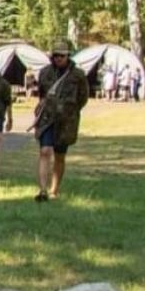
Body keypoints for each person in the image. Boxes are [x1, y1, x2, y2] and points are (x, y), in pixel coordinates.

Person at [33, 40, 91, 202]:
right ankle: (42, 190)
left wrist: (70, 110)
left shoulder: (78, 75)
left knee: (59, 155)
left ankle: (54, 189)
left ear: (68, 56)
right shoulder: (45, 72)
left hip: (66, 121)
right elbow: (41, 94)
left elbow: (83, 97)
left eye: (61, 55)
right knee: (45, 151)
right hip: (47, 118)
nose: (58, 58)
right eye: (55, 55)